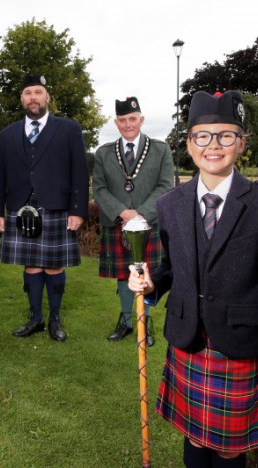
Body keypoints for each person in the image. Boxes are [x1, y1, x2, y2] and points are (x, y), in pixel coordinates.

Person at [128, 90, 258, 467]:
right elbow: (173, 266)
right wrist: (152, 283)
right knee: (195, 439)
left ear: (242, 143)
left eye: (225, 135)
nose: (213, 145)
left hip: (239, 343)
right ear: (189, 143)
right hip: (187, 340)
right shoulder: (170, 204)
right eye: (203, 135)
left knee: (228, 447)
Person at [0, 74, 89, 342]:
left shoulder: (69, 129)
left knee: (54, 266)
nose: (33, 97)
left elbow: (79, 172)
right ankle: (35, 318)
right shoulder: (8, 134)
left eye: (38, 92)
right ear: (22, 98)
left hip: (56, 207)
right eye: (27, 93)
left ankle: (55, 319)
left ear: (47, 97)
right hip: (20, 208)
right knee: (31, 265)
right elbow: (0, 173)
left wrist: (77, 210)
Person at [93, 97, 173, 346]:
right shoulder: (103, 152)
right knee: (123, 274)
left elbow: (165, 186)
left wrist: (140, 215)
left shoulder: (161, 150)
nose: (128, 124)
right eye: (122, 120)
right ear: (116, 123)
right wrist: (123, 213)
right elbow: (99, 188)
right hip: (117, 222)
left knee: (145, 272)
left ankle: (144, 322)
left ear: (141, 120)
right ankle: (127, 321)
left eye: (132, 119)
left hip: (149, 223)